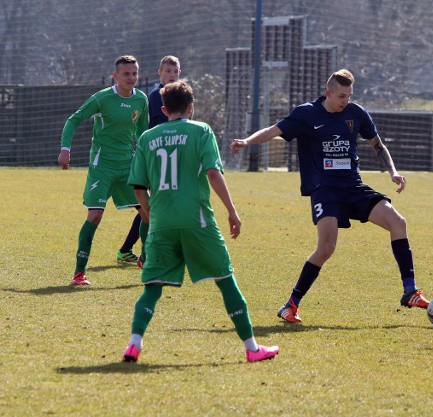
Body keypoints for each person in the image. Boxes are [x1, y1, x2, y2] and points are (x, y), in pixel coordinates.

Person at [230, 69, 430, 324]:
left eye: (348, 96)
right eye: (341, 96)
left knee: (398, 223)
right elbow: (274, 130)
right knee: (326, 248)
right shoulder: (306, 114)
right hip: (325, 190)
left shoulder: (356, 113)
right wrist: (247, 142)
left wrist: (393, 172)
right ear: (328, 93)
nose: (345, 101)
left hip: (353, 187)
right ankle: (290, 305)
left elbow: (377, 144)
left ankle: (410, 291)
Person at [123, 81, 279, 363]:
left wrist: (151, 217)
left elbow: (137, 189)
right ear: (191, 108)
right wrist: (232, 211)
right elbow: (213, 173)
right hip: (198, 221)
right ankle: (253, 348)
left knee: (152, 287)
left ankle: (134, 343)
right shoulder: (201, 131)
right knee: (225, 278)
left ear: (163, 109)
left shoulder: (147, 138)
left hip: (162, 223)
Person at [58, 55, 149, 286]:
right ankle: (79, 273)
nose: (131, 78)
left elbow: (142, 131)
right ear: (115, 75)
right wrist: (65, 148)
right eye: (126, 74)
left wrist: (146, 159)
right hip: (103, 166)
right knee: (95, 215)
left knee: (149, 212)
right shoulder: (102, 98)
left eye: (134, 73)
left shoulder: (141, 100)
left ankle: (147, 261)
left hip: (128, 165)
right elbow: (73, 120)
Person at [129, 55, 182, 269]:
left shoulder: (183, 95)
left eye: (175, 71)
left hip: (177, 157)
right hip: (158, 157)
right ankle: (145, 254)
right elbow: (156, 128)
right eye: (167, 71)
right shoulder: (155, 96)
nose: (171, 75)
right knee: (151, 207)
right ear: (159, 73)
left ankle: (150, 252)